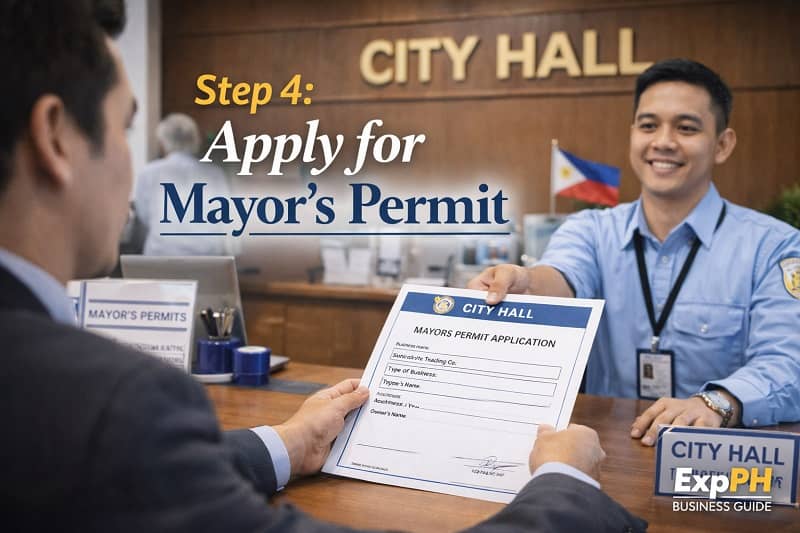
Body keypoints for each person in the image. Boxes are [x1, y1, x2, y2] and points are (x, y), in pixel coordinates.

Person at [0, 1, 646, 531]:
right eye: (123, 129)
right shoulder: (115, 402)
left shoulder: (71, 408)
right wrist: (563, 481)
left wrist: (284, 443)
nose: (134, 169)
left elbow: (120, 478)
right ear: (57, 136)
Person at [470, 58, 800, 446]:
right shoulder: (589, 230)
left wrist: (718, 401)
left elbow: (789, 363)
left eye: (686, 127)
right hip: (601, 454)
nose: (662, 141)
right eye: (648, 125)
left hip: (712, 460)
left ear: (722, 144)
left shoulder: (775, 246)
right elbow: (558, 276)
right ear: (632, 136)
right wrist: (525, 282)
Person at [134, 112, 232, 256]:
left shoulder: (148, 173)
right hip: (205, 257)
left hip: (160, 254)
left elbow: (144, 215)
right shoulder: (214, 175)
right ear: (196, 140)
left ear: (162, 142)